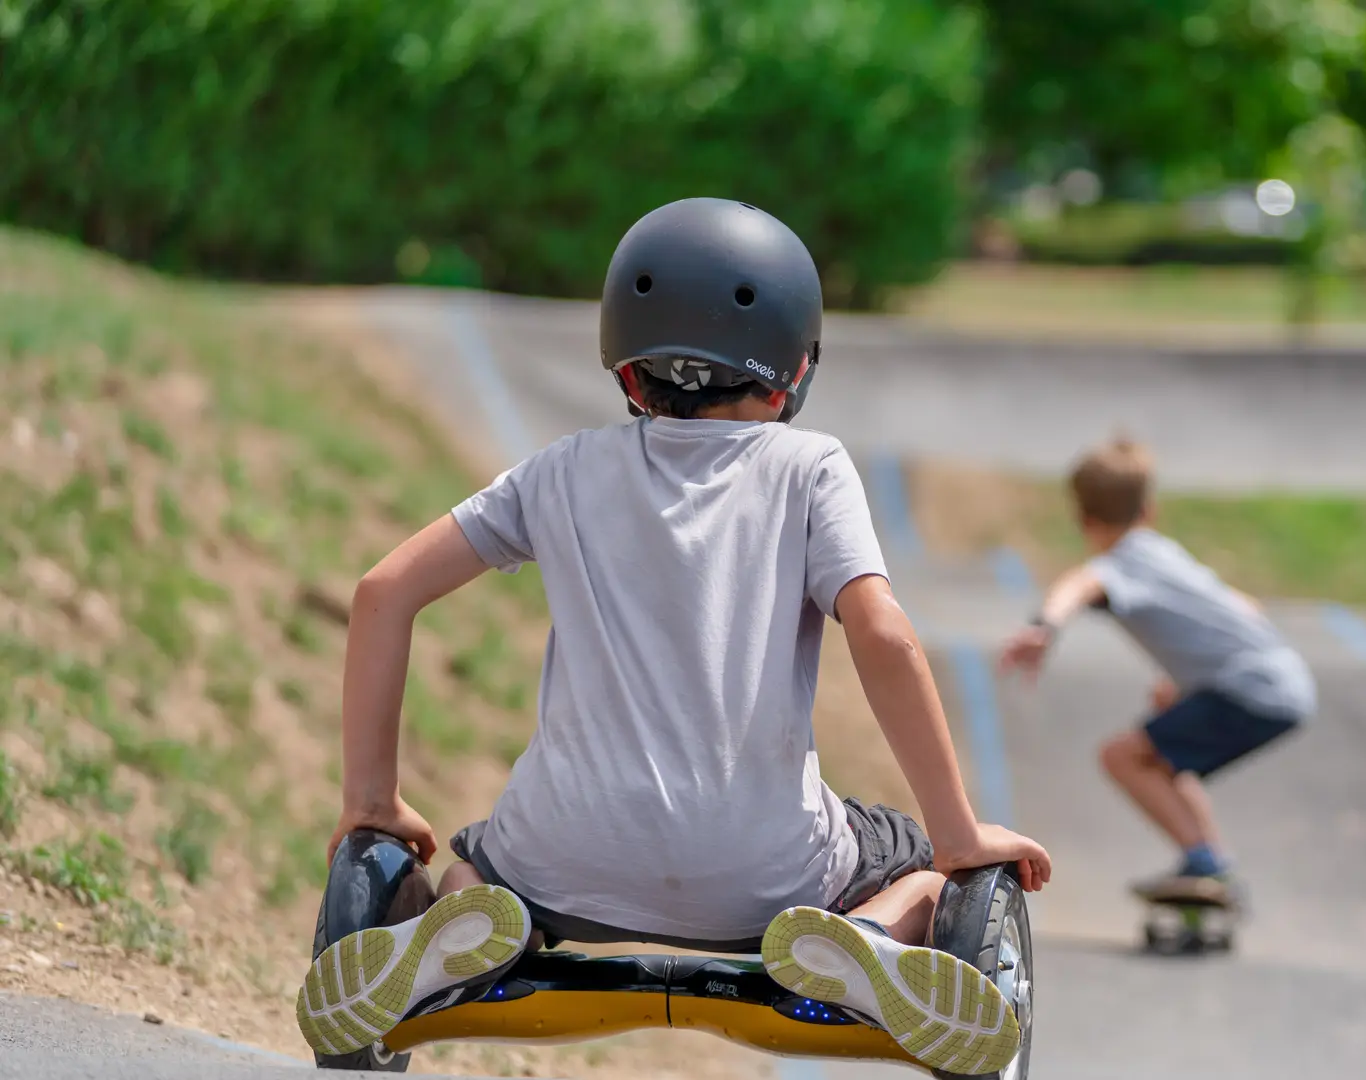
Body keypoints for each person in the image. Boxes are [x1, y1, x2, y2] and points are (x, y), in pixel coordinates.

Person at [293, 198, 1047, 1076]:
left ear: (626, 368)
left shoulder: (563, 468)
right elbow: (882, 634)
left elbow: (384, 592)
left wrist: (373, 802)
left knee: (481, 869)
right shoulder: (809, 468)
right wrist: (957, 836)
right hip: (767, 880)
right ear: (795, 371)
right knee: (913, 857)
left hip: (559, 858)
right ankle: (867, 944)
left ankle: (447, 928)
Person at [999, 436, 1313, 904]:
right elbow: (1243, 609)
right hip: (1281, 681)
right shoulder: (1164, 553)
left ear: (1083, 519)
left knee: (1121, 756)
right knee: (1159, 755)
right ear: (1149, 511)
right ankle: (1210, 861)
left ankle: (1207, 862)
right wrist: (1193, 684)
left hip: (1253, 690)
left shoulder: (1122, 562)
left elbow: (1082, 583)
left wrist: (1045, 625)